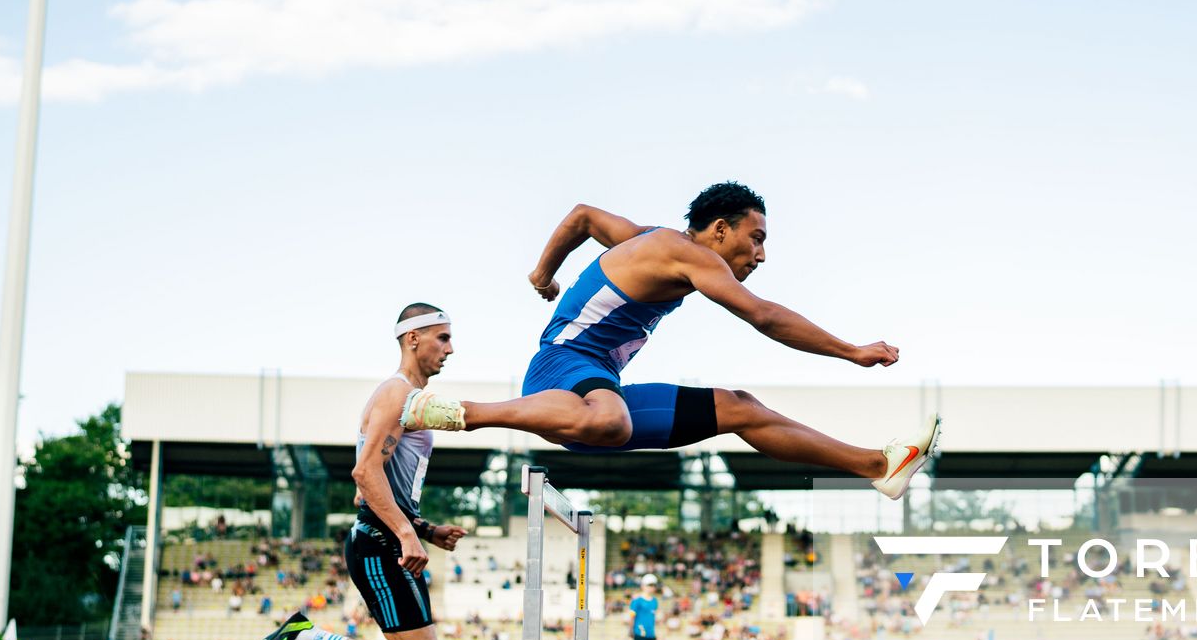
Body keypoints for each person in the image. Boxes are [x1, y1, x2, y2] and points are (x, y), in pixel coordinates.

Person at [401, 183, 941, 495]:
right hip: (562, 371)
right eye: (756, 239)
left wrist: (544, 275)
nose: (761, 254)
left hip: (599, 385)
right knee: (611, 418)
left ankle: (877, 465)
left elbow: (583, 216)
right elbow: (764, 317)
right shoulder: (687, 253)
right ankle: (457, 412)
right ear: (720, 230)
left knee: (741, 409)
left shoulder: (646, 241)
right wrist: (852, 351)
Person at [243, 303, 468, 640]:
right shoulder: (395, 393)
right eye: (443, 337)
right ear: (412, 339)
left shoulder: (408, 398)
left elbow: (379, 485)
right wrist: (407, 537)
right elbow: (364, 476)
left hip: (389, 538)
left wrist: (425, 529)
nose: (451, 349)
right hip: (380, 544)